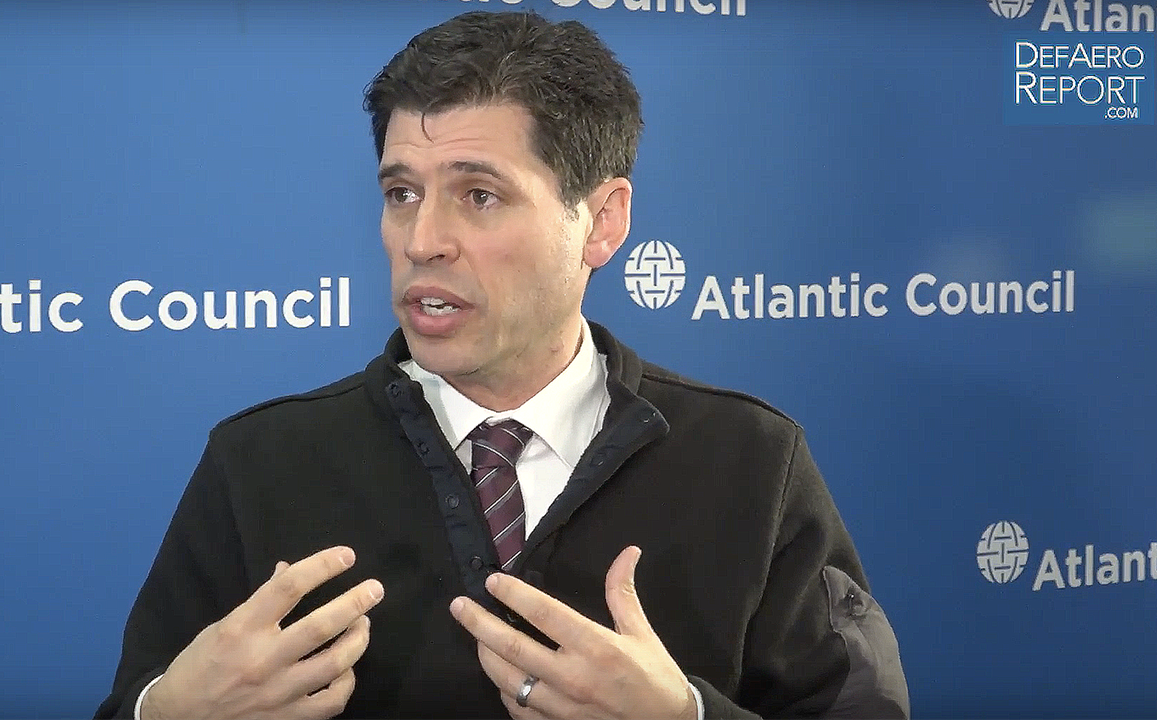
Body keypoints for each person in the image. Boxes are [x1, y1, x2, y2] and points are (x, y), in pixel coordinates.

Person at [93, 10, 909, 720]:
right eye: (402, 193)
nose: (422, 241)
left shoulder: (751, 462)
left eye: (478, 195)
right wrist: (163, 714)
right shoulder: (259, 465)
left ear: (602, 221)